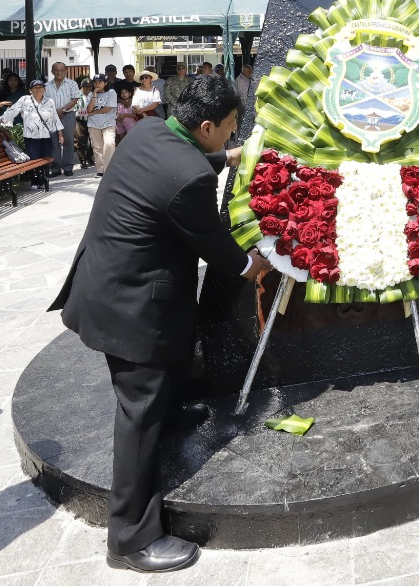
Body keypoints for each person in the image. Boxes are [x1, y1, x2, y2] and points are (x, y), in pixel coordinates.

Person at [51, 75, 271, 573]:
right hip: (131, 308)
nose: (236, 135)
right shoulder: (188, 178)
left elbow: (180, 161)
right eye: (232, 129)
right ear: (207, 125)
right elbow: (218, 248)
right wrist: (252, 264)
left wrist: (227, 158)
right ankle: (130, 537)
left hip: (116, 286)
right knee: (139, 415)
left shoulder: (152, 131)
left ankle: (171, 415)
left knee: (164, 387)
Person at [0, 78, 64, 189]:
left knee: (46, 158)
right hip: (31, 136)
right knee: (34, 159)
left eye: (40, 87)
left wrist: (60, 134)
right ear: (30, 90)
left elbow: (55, 119)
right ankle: (35, 181)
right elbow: (12, 111)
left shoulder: (49, 102)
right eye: (35, 87)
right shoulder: (25, 100)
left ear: (44, 89)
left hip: (46, 136)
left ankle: (44, 180)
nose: (38, 89)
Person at [44, 61, 82, 177]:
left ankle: (68, 167)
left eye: (61, 70)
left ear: (66, 71)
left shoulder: (72, 84)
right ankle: (55, 169)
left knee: (68, 141)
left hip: (68, 115)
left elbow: (75, 99)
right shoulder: (46, 86)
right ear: (52, 71)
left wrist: (63, 110)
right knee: (54, 142)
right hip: (51, 116)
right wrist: (55, 113)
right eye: (56, 70)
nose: (59, 72)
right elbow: (44, 101)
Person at [87, 76, 119, 173]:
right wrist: (94, 95)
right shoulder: (91, 94)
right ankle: (101, 169)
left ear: (105, 83)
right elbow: (89, 110)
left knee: (109, 143)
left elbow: (108, 108)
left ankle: (109, 169)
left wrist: (93, 113)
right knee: (97, 147)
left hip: (108, 122)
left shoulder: (111, 92)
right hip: (93, 123)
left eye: (100, 82)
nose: (97, 84)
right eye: (95, 82)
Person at [74, 78, 96, 168]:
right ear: (82, 86)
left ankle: (89, 156)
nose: (88, 88)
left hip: (91, 120)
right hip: (79, 120)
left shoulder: (94, 95)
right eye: (86, 86)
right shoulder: (76, 94)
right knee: (80, 141)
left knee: (94, 140)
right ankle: (82, 160)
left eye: (90, 86)